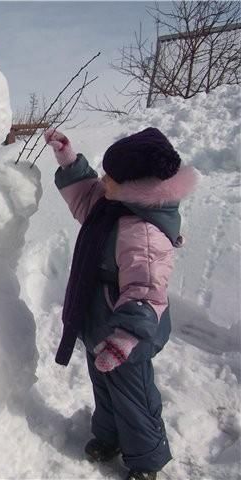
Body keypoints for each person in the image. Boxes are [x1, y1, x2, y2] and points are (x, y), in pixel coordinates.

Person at [44, 127, 198, 480]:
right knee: (104, 385)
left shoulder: (143, 232)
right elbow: (86, 195)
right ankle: (110, 436)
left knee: (134, 395)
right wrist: (68, 158)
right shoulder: (113, 207)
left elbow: (147, 290)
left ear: (135, 186)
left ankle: (147, 460)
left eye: (110, 177)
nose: (103, 180)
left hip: (129, 329)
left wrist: (126, 338)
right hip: (101, 317)